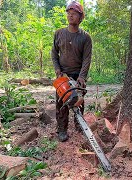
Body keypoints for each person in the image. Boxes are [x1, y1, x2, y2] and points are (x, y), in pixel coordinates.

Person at [51, 1, 92, 142]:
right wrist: (57, 70)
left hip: (77, 75)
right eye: (69, 13)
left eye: (74, 14)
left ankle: (79, 126)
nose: (71, 16)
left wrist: (82, 76)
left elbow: (87, 59)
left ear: (81, 17)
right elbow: (54, 54)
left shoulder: (85, 37)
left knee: (79, 103)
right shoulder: (59, 34)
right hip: (63, 75)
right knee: (61, 104)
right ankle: (62, 129)